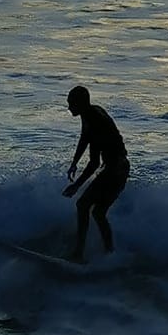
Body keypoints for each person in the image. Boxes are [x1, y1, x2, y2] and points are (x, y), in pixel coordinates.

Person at [62, 84, 130, 261]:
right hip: (118, 169)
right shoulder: (90, 113)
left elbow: (93, 163)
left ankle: (79, 253)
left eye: (71, 104)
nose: (68, 107)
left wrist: (76, 186)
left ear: (81, 104)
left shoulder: (96, 120)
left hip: (116, 170)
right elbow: (84, 138)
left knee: (82, 205)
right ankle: (110, 254)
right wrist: (74, 163)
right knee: (98, 213)